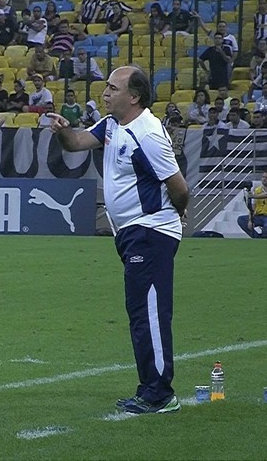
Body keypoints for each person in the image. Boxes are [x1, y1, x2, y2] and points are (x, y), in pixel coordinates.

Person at [47, 65, 188, 415]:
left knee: (149, 312)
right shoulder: (112, 125)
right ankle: (150, 388)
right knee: (140, 311)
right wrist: (62, 132)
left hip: (149, 229)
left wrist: (171, 216)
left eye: (112, 88)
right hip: (131, 232)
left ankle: (159, 393)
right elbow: (78, 143)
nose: (105, 93)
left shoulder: (148, 133)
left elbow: (180, 188)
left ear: (134, 96)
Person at [237, 170, 267, 238]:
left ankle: (263, 237)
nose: (264, 179)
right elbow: (252, 208)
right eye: (263, 177)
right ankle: (258, 238)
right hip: (259, 216)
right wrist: (250, 220)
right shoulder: (257, 190)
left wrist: (253, 196)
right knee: (242, 220)